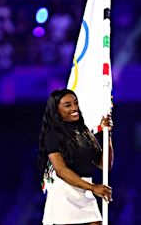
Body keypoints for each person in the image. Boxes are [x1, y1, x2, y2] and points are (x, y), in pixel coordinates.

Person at [38, 89, 114, 225]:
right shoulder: (52, 135)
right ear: (56, 110)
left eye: (76, 103)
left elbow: (105, 165)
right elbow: (61, 171)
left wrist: (106, 134)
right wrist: (92, 187)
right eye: (68, 105)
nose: (74, 108)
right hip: (64, 193)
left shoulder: (84, 132)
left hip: (85, 191)